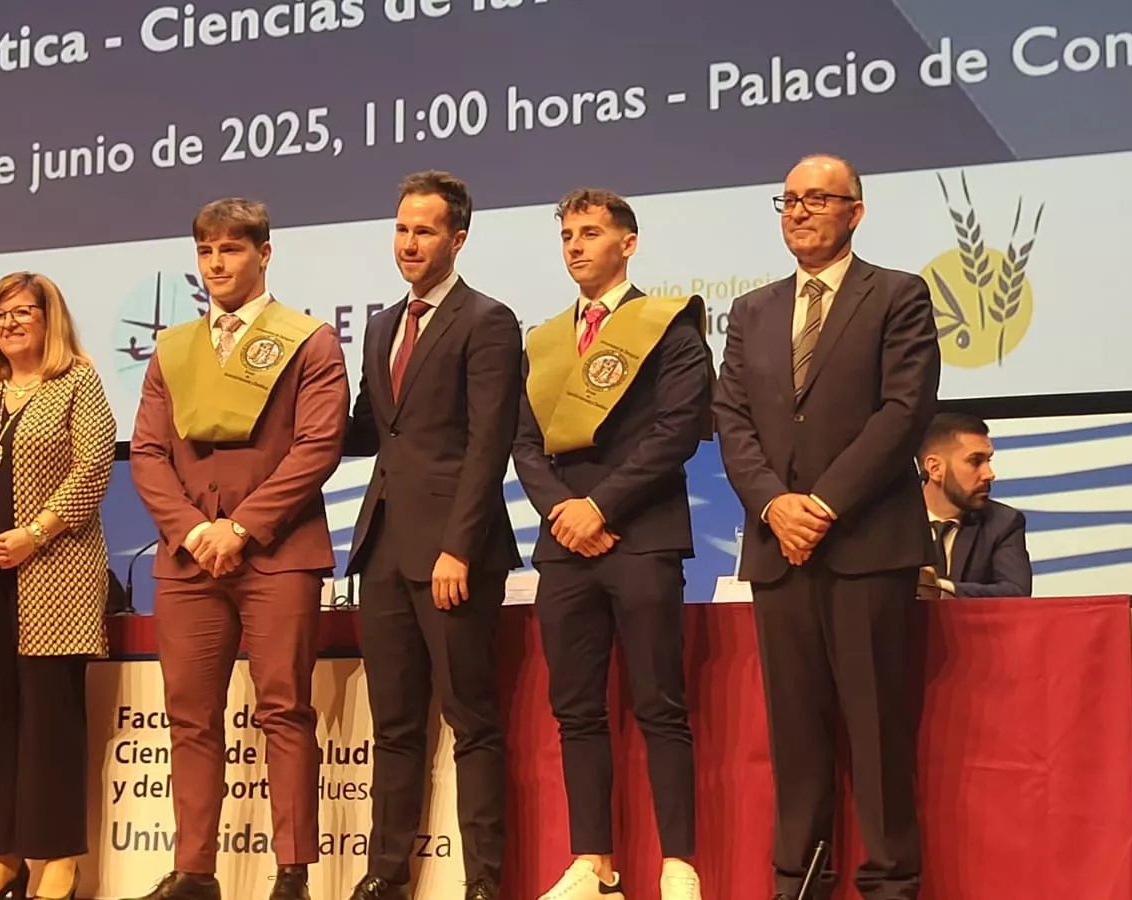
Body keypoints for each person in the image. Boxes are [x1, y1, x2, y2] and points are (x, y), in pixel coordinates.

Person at [712, 154, 940, 900]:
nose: (800, 211)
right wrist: (777, 505)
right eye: (789, 200)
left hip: (866, 546)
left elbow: (903, 413)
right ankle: (798, 883)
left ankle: (889, 885)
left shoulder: (898, 295)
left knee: (876, 735)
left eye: (818, 198)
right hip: (780, 551)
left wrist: (824, 505)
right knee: (796, 736)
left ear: (855, 212)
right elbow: (732, 420)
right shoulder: (750, 311)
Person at [126, 198, 349, 900]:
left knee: (284, 709)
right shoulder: (172, 348)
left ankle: (293, 872)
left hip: (277, 554)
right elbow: (148, 452)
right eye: (206, 251)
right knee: (190, 717)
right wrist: (194, 530)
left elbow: (317, 447)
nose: (217, 263)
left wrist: (243, 527)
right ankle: (195, 870)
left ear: (264, 253)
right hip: (188, 560)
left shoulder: (310, 340)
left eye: (231, 249)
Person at [512, 189, 712, 900]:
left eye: (590, 232)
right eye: (566, 234)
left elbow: (678, 431)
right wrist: (565, 511)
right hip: (564, 544)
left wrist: (600, 504)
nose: (575, 245)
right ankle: (592, 862)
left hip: (643, 535)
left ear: (628, 243)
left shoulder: (668, 329)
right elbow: (525, 443)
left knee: (660, 704)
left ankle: (679, 863)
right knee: (576, 709)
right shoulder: (541, 341)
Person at [343, 171, 522, 900]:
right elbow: (365, 427)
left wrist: (460, 545)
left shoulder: (488, 320)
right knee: (394, 725)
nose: (409, 242)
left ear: (458, 238)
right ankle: (387, 877)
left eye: (424, 230)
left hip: (454, 552)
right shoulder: (384, 324)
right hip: (384, 546)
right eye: (401, 229)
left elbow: (488, 444)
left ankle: (483, 882)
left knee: (472, 722)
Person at [0, 272, 117, 900]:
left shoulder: (78, 381)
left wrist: (32, 535)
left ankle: (60, 858)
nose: (9, 324)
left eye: (21, 313)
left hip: (52, 577)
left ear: (49, 319)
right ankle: (7, 854)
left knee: (52, 724)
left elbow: (93, 467)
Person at [918, 413, 1031, 598]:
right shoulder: (888, 522)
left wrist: (941, 589)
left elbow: (1015, 594)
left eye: (988, 461)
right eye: (975, 461)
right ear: (935, 468)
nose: (989, 474)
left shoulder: (1003, 522)